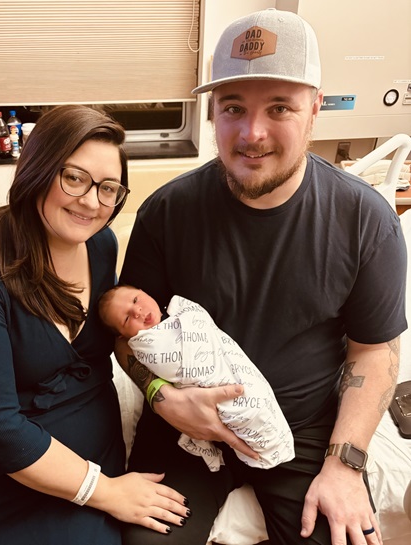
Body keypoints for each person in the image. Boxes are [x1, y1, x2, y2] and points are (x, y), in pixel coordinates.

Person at [115, 8, 407, 545]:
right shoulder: (166, 213)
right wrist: (161, 395)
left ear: (316, 109)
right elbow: (128, 334)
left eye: (280, 108)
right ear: (211, 114)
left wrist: (345, 465)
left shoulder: (365, 220)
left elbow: (374, 351)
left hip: (306, 433)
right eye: (233, 108)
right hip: (186, 425)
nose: (252, 133)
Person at [0, 104, 190, 545]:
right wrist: (108, 492)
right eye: (74, 178)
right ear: (36, 170)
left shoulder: (100, 245)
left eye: (109, 188)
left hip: (91, 465)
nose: (91, 202)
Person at [99, 284, 294, 472]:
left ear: (144, 292)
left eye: (135, 299)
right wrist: (163, 397)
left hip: (284, 406)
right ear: (123, 336)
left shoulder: (181, 312)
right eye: (126, 319)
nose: (137, 311)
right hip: (190, 416)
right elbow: (136, 354)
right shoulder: (148, 346)